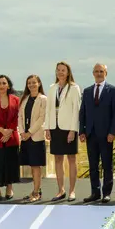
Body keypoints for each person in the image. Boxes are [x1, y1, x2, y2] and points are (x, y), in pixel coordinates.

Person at [79, 63, 115, 203]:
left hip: (106, 134)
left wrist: (112, 132)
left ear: (106, 73)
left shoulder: (113, 91)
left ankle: (106, 193)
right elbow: (82, 112)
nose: (99, 73)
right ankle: (94, 192)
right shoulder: (87, 91)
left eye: (101, 71)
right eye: (96, 71)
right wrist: (82, 131)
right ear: (93, 73)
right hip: (90, 134)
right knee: (93, 166)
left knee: (107, 164)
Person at [44, 61, 82, 202]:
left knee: (71, 159)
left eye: (63, 70)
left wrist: (73, 130)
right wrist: (47, 127)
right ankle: (61, 190)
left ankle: (72, 191)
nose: (60, 72)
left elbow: (76, 111)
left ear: (68, 72)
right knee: (58, 159)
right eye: (58, 70)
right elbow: (48, 110)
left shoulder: (74, 88)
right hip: (55, 128)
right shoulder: (52, 88)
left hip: (68, 128)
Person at [18, 74, 47, 203]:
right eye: (29, 83)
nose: (31, 85)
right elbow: (20, 117)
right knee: (31, 165)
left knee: (36, 166)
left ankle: (37, 192)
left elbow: (42, 118)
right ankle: (34, 190)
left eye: (34, 82)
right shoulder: (24, 99)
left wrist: (29, 132)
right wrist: (22, 132)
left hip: (36, 137)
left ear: (39, 84)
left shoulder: (44, 99)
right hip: (25, 138)